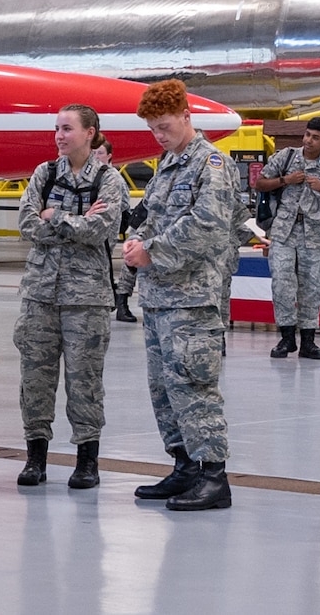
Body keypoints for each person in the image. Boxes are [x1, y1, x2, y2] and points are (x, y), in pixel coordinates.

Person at [121, 79, 239, 512]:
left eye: (165, 126)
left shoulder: (212, 165)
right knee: (165, 389)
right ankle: (185, 466)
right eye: (153, 129)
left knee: (194, 386)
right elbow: (148, 218)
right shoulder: (167, 167)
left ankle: (214, 476)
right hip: (158, 298)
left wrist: (152, 252)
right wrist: (137, 243)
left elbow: (207, 228)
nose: (159, 135)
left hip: (191, 300)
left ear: (187, 117)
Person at [15, 105, 128, 491]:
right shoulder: (44, 174)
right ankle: (36, 457)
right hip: (40, 296)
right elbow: (27, 223)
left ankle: (86, 460)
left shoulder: (109, 180)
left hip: (87, 299)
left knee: (85, 381)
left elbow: (101, 229)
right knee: (35, 379)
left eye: (68, 129)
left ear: (90, 133)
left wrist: (55, 216)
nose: (60, 136)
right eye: (57, 129)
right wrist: (69, 220)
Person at [257, 116, 320, 360]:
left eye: (315, 137)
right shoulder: (286, 157)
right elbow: (260, 183)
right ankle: (286, 339)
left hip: (315, 237)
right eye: (307, 135)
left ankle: (308, 341)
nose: (308, 140)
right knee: (282, 285)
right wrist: (285, 180)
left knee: (311, 288)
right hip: (284, 233)